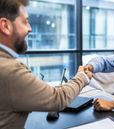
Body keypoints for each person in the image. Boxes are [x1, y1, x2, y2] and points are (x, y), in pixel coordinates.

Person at [0, 0, 92, 128]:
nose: (30, 29)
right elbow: (57, 99)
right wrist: (82, 76)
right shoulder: (10, 70)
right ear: (5, 26)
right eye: (25, 21)